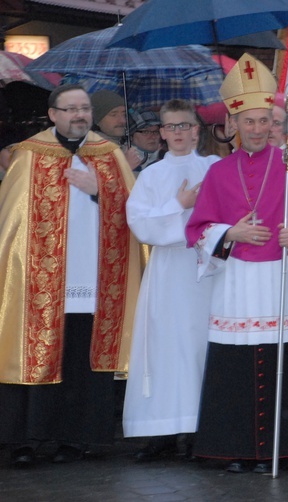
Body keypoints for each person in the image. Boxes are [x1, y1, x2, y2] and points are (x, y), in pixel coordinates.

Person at [184, 54, 288, 474]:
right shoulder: (217, 173)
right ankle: (236, 447)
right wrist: (230, 233)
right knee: (236, 366)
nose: (257, 129)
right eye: (249, 121)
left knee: (287, 359)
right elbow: (198, 229)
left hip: (281, 278)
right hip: (236, 282)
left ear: (273, 123)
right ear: (233, 124)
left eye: (264, 121)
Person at [0, 83, 142, 467]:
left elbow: (136, 213)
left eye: (84, 108)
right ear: (53, 114)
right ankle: (26, 440)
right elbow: (11, 223)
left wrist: (101, 191)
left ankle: (76, 438)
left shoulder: (109, 154)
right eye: (70, 108)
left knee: (82, 358)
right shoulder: (28, 154)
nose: (79, 114)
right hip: (39, 280)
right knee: (38, 352)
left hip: (95, 279)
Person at [122, 99, 220, 461]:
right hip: (167, 272)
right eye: (171, 127)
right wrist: (179, 205)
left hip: (206, 269)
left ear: (197, 129)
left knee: (199, 347)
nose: (179, 133)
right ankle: (160, 430)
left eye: (185, 125)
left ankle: (199, 430)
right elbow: (142, 226)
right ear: (161, 133)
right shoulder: (150, 176)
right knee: (163, 347)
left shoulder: (215, 168)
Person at [127, 108, 163, 173]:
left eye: (156, 132)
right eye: (146, 132)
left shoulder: (169, 156)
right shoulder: (121, 160)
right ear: (131, 136)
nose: (152, 136)